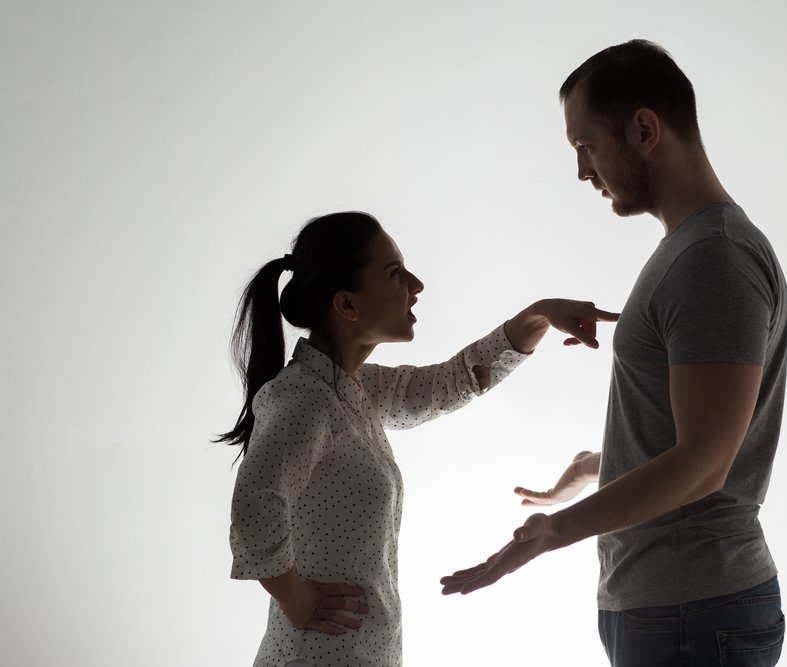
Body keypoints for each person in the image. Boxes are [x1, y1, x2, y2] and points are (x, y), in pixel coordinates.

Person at [441, 39, 787, 667]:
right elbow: (695, 437)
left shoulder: (712, 259)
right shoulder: (691, 250)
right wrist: (600, 464)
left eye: (586, 146)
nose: (582, 171)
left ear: (644, 129)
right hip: (675, 610)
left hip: (694, 613)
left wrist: (555, 532)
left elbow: (708, 464)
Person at [220, 211, 618, 667]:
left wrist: (541, 314)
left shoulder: (354, 389)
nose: (416, 285)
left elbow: (451, 382)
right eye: (394, 273)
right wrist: (296, 599)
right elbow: (254, 506)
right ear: (347, 305)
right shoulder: (303, 399)